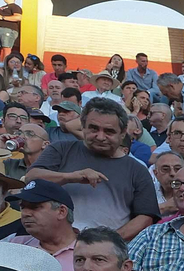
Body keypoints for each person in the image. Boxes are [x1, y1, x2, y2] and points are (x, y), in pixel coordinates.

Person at [24, 98, 159, 240]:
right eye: (94, 128)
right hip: (53, 243)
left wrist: (107, 241)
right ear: (83, 127)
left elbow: (145, 217)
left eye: (109, 131)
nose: (100, 137)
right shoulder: (61, 150)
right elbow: (31, 178)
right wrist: (71, 177)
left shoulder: (137, 170)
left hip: (107, 248)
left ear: (123, 133)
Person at [4, 177, 83, 271]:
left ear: (61, 212)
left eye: (35, 207)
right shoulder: (16, 245)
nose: (25, 213)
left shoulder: (91, 250)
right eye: (22, 207)